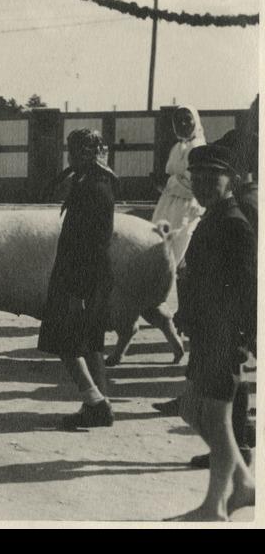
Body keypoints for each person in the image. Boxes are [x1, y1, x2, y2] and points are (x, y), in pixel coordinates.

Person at [166, 144, 256, 522]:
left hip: (221, 335)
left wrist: (243, 339)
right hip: (205, 332)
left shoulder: (233, 221)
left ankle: (214, 506)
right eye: (196, 179)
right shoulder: (214, 217)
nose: (202, 186)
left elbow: (249, 288)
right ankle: (244, 484)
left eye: (211, 179)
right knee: (193, 410)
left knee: (216, 420)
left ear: (230, 180)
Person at [37, 128, 118, 428]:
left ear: (86, 153)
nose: (70, 157)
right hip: (88, 275)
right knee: (90, 342)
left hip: (81, 277)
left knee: (65, 340)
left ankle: (95, 402)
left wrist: (78, 291)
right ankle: (100, 401)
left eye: (74, 151)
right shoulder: (93, 180)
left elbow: (91, 243)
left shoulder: (93, 187)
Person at [152, 105, 207, 266]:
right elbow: (171, 174)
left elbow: (194, 185)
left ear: (195, 121)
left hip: (188, 206)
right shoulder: (176, 148)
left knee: (178, 249)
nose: (183, 124)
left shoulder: (199, 149)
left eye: (187, 119)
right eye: (178, 121)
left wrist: (169, 182)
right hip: (168, 205)